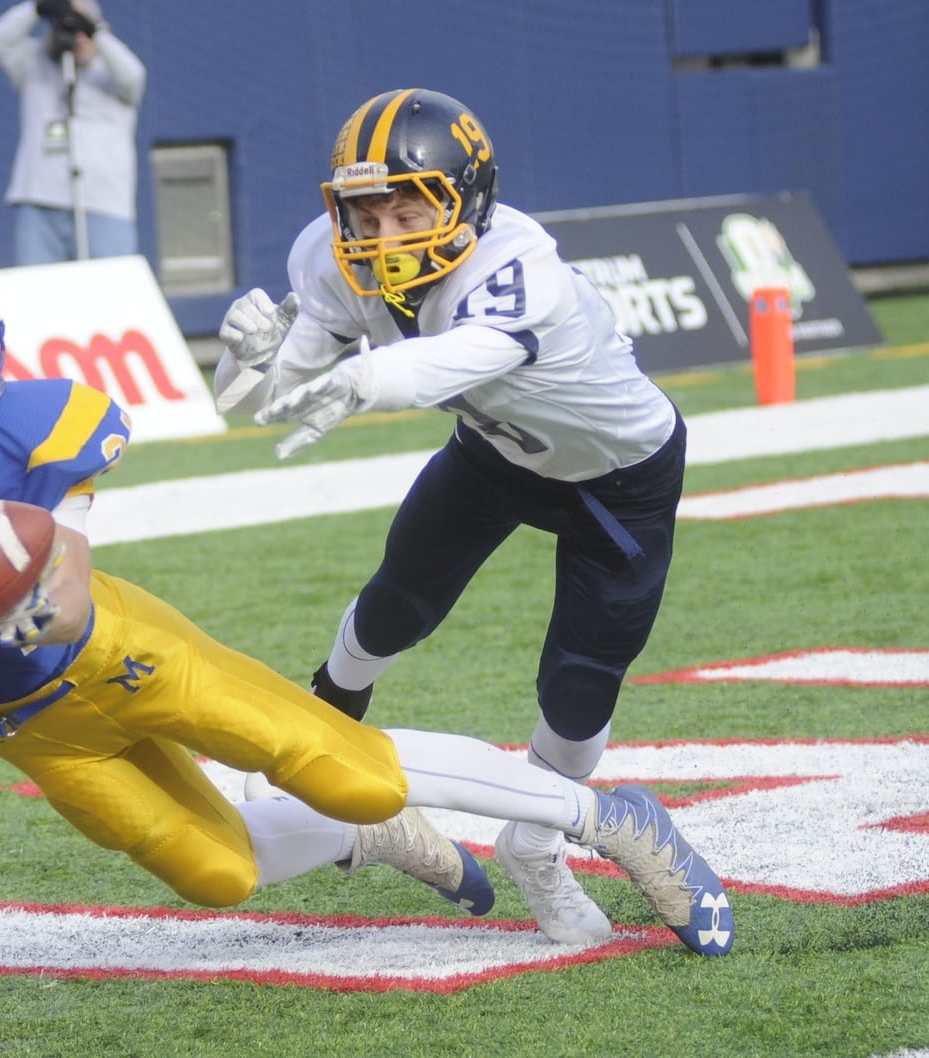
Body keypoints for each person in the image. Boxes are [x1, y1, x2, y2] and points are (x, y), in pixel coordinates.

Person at [0, 235, 733, 957]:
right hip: (14, 724)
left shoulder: (41, 424)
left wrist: (25, 606)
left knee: (357, 770)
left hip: (115, 653)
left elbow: (69, 585)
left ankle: (606, 817)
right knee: (220, 872)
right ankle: (356, 840)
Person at [215, 88, 693, 948]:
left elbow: (440, 366)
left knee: (579, 688)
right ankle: (315, 743)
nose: (385, 231)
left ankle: (538, 843)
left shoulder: (521, 266)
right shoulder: (328, 258)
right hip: (492, 450)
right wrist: (252, 361)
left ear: (467, 198)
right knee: (397, 602)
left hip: (616, 477)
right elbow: (280, 388)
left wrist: (356, 378)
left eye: (410, 204)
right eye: (365, 208)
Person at [0, 1, 144, 264]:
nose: (77, 36)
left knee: (111, 295)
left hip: (104, 206)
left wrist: (94, 30)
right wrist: (38, 8)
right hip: (41, 203)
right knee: (39, 291)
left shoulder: (113, 75)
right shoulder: (35, 64)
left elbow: (134, 75)